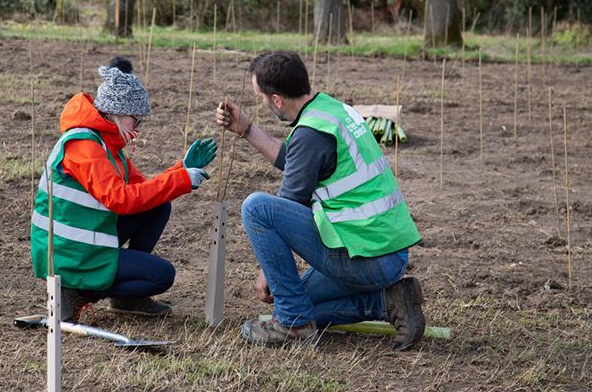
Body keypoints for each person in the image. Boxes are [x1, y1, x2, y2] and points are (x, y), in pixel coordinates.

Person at [215, 51, 426, 349]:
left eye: (261, 96)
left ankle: (293, 327)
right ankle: (387, 302)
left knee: (257, 208)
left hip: (366, 257)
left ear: (276, 100)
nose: (261, 102)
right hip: (385, 252)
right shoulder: (330, 110)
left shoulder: (312, 133)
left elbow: (289, 201)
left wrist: (267, 273)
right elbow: (294, 159)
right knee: (298, 303)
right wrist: (247, 130)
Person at [31, 56, 217, 322]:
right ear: (116, 112)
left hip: (84, 241)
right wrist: (182, 180)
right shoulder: (85, 146)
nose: (138, 130)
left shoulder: (106, 144)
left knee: (158, 206)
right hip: (68, 254)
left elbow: (143, 189)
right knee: (162, 275)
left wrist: (181, 169)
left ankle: (124, 297)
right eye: (136, 121)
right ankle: (76, 292)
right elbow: (121, 200)